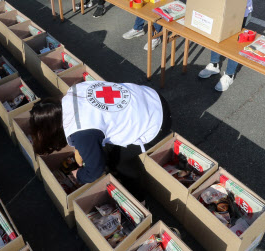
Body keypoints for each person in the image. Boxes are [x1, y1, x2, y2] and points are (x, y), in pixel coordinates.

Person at [29, 81, 171, 199]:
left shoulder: (83, 134)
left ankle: (139, 197)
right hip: (149, 96)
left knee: (119, 161)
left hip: (156, 121)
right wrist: (79, 147)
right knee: (103, 147)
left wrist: (79, 175)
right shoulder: (73, 92)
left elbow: (94, 171)